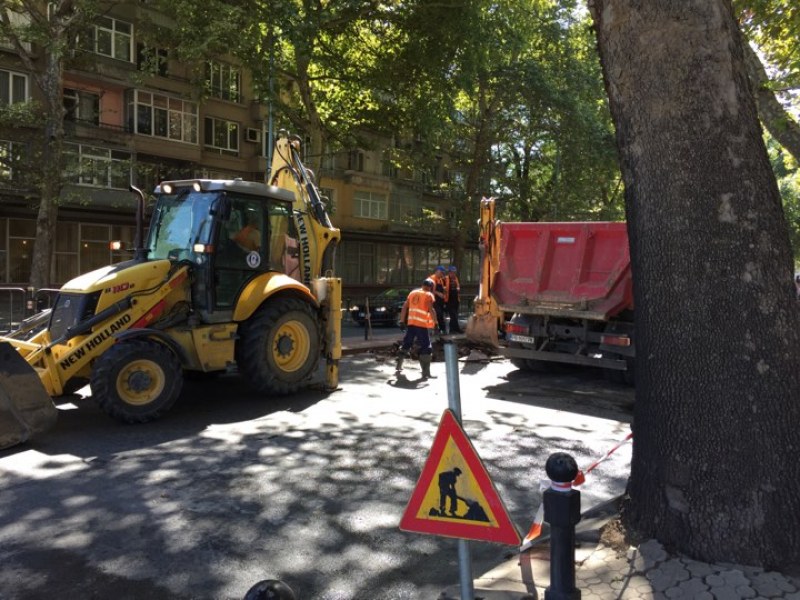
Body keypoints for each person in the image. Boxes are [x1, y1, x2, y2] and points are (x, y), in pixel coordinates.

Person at [396, 278, 438, 378]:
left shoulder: (412, 293)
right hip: (421, 325)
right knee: (426, 347)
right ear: (430, 287)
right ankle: (426, 373)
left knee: (407, 343)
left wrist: (401, 321)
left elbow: (405, 307)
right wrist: (436, 323)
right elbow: (431, 309)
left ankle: (398, 366)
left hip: (411, 324)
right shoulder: (428, 295)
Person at [430, 265, 448, 334]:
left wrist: (444, 290)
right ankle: (436, 329)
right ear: (437, 271)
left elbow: (442, 287)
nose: (442, 274)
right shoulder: (432, 278)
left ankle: (442, 329)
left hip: (440, 301)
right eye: (441, 272)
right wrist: (438, 293)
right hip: (433, 300)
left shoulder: (440, 279)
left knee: (441, 314)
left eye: (443, 273)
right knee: (437, 314)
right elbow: (430, 290)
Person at [446, 265, 462, 333]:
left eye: (454, 272)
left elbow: (458, 286)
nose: (453, 274)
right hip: (449, 300)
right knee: (453, 315)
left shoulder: (456, 278)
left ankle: (452, 330)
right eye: (452, 272)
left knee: (455, 315)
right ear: (449, 272)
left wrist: (458, 289)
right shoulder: (446, 278)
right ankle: (456, 329)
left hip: (456, 299)